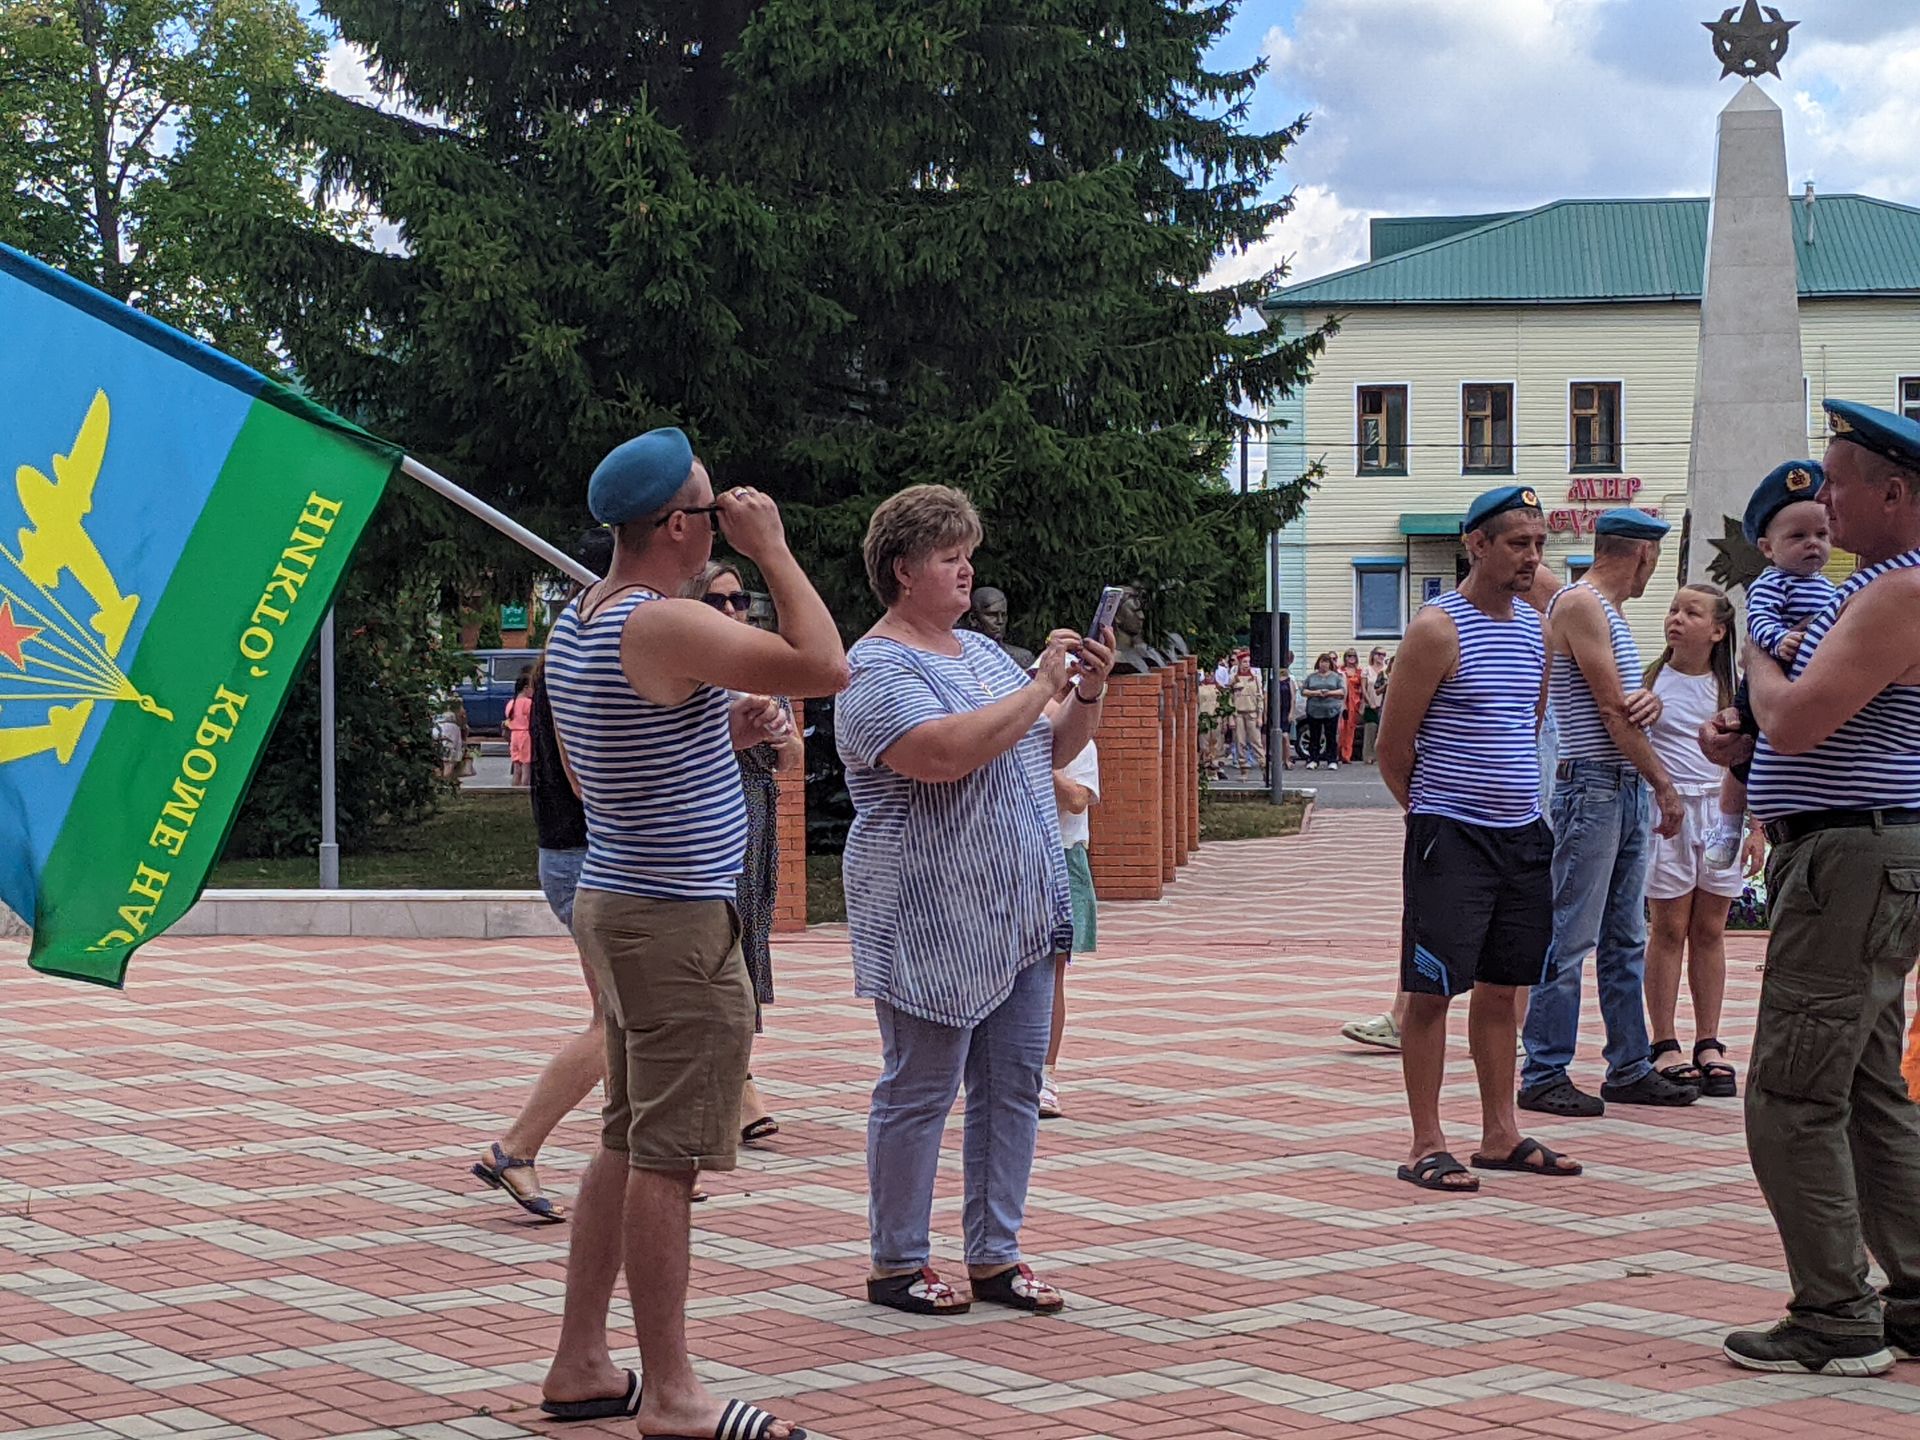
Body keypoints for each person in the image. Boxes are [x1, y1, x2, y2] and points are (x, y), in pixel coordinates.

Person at [539, 426, 844, 1439]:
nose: (728, 520)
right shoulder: (662, 622)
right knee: (668, 1158)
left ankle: (582, 1362)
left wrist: (719, 733)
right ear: (676, 525)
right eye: (715, 511)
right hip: (675, 919)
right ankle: (672, 1397)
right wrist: (775, 551)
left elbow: (601, 771)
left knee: (626, 1139)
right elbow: (823, 666)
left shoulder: (581, 617)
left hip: (621, 899)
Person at [836, 484, 1114, 1319]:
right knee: (920, 1088)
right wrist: (1039, 687)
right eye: (949, 558)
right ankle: (897, 1263)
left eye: (968, 554)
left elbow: (1047, 747)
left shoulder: (985, 657)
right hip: (931, 914)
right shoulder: (876, 665)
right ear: (901, 570)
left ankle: (996, 1255)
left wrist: (1085, 693)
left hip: (1022, 910)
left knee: (1014, 1084)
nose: (967, 571)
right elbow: (941, 755)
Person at [1708, 400, 1920, 1376]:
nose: (1823, 505)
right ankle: (1912, 1294)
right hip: (1856, 851)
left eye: (1835, 484)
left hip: (1848, 860)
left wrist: (1749, 656)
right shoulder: (1870, 585)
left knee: (1793, 1089)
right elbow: (1796, 725)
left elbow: (1797, 719)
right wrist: (1741, 737)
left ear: (1893, 493)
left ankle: (1835, 1314)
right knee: (1871, 1086)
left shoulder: (1896, 588)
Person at [1376, 486, 1573, 1192]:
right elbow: (1393, 749)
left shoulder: (1536, 629)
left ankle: (1500, 1132)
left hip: (1522, 834)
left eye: (1540, 545)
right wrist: (1433, 816)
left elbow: (1531, 724)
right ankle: (1427, 1141)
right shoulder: (1438, 629)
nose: (1532, 558)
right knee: (1431, 992)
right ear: (1478, 545)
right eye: (1519, 543)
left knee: (1503, 987)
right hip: (1451, 837)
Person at [1519, 508, 1694, 1118]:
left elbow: (1624, 704)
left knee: (1625, 936)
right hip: (1594, 785)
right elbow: (1613, 715)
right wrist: (1665, 784)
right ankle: (1543, 1070)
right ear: (1643, 556)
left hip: (1616, 787)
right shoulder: (1583, 604)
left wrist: (1641, 705)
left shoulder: (1608, 614)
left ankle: (1630, 1064)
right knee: (1570, 934)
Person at [471, 533, 614, 1227]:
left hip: (574, 856)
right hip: (587, 859)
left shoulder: (572, 646)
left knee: (625, 1021)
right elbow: (590, 779)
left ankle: (643, 1164)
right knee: (618, 1023)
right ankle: (518, 1145)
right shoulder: (590, 652)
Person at [692, 560, 807, 1144]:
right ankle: (739, 1088)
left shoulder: (761, 665)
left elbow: (790, 764)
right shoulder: (688, 671)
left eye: (740, 601)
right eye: (719, 602)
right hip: (706, 822)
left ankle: (728, 1080)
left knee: (748, 944)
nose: (734, 613)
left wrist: (780, 735)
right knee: (720, 953)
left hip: (756, 817)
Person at [1640, 584, 1762, 1101]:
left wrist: (1755, 826)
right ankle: (1664, 1041)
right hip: (1669, 813)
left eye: (1692, 613)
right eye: (1673, 610)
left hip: (1721, 811)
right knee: (1668, 926)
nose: (1676, 619)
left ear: (1717, 630)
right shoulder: (1650, 682)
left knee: (1711, 928)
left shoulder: (1731, 689)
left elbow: (1754, 756)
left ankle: (1708, 1041)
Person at [1702, 462, 1839, 869]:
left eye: (1822, 534)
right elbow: (1757, 622)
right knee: (1742, 754)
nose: (1812, 544)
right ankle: (1728, 826)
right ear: (1767, 547)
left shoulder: (1830, 587)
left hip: (1803, 685)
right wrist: (1779, 640)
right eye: (1798, 536)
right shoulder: (1771, 582)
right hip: (1763, 682)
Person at [1041, 733, 1099, 1119]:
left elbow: (1077, 800)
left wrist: (1044, 766)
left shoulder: (1080, 744)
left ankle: (1044, 1077)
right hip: (1008, 856)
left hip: (1061, 858)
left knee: (1049, 975)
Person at [1301, 653, 1344, 770]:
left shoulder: (1336, 677)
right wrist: (1316, 693)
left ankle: (1332, 760)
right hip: (1314, 710)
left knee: (1331, 735)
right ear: (1318, 663)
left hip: (1331, 710)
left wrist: (1329, 693)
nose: (1324, 664)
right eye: (1322, 662)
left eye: (1326, 662)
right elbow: (1304, 691)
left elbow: (1341, 691)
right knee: (1314, 736)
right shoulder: (1311, 677)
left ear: (1330, 664)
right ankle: (1313, 759)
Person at [1228, 657, 1265, 773]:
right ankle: (1243, 767)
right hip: (1238, 714)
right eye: (1244, 662)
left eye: (1249, 662)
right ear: (1239, 663)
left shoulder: (1255, 678)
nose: (1246, 664)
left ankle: (1263, 765)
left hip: (1252, 713)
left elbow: (1260, 698)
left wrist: (1260, 716)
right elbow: (1229, 699)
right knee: (1240, 742)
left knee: (1256, 741)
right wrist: (1231, 718)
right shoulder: (1234, 678)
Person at [1359, 647, 1388, 763]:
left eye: (1383, 654)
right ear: (1373, 655)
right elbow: (1364, 688)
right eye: (1379, 654)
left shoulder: (1386, 670)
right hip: (1370, 702)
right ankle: (1368, 756)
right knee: (1370, 729)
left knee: (1382, 732)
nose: (1381, 656)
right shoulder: (1367, 670)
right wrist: (1369, 701)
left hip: (1384, 703)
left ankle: (1380, 757)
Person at [505, 671, 534, 787]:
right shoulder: (528, 703)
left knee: (517, 766)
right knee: (526, 766)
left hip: (514, 735)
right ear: (526, 688)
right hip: (526, 735)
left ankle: (514, 789)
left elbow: (508, 719)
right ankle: (524, 788)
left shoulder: (511, 703)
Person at [435, 689, 469, 781]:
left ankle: (438, 785)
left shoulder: (432, 696)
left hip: (435, 726)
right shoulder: (454, 699)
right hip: (450, 728)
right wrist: (464, 728)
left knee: (437, 760)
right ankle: (445, 786)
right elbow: (462, 715)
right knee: (449, 761)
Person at [1197, 665, 1224, 778]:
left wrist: (1226, 719)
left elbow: (1224, 704)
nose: (1209, 675)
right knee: (1204, 744)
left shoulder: (1219, 687)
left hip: (1216, 718)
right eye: (1207, 673)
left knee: (1216, 743)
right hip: (1204, 717)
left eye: (1211, 672)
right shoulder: (1199, 687)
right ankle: (1205, 767)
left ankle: (1214, 768)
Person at [1337, 649, 1364, 763]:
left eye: (1353, 656)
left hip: (1355, 703)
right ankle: (1338, 753)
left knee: (1350, 729)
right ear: (1345, 657)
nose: (1351, 658)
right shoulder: (1340, 671)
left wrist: (1362, 704)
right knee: (1340, 728)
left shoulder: (1359, 671)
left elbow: (1363, 689)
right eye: (1349, 656)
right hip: (1342, 702)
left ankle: (1347, 755)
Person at [1273, 650, 1297, 771]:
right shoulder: (1273, 676)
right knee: (1275, 736)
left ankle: (1287, 759)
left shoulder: (1291, 678)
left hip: (1285, 710)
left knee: (1285, 736)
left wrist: (1292, 712)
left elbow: (1293, 697)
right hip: (1275, 709)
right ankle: (1277, 760)